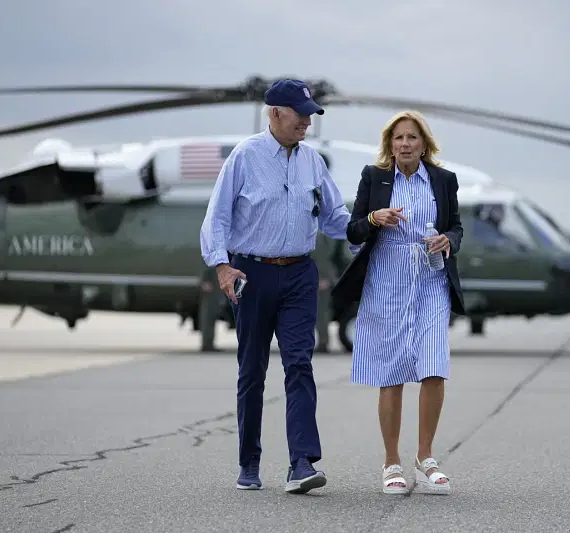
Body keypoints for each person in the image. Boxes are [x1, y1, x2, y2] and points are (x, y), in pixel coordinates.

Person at [199, 78, 351, 494]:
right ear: (275, 113)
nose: (307, 122)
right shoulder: (245, 157)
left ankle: (301, 463)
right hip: (252, 272)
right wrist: (222, 266)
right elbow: (217, 217)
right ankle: (249, 462)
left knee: (299, 363)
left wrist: (372, 227)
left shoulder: (312, 161)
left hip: (300, 273)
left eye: (310, 115)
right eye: (300, 114)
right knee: (252, 371)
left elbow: (335, 218)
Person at [332, 110, 465, 495]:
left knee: (433, 365)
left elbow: (456, 226)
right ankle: (392, 462)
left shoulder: (443, 179)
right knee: (391, 371)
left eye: (412, 138)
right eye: (398, 138)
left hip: (430, 278)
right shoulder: (374, 177)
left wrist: (448, 241)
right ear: (390, 145)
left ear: (425, 144)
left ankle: (426, 459)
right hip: (387, 279)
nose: (405, 144)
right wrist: (374, 217)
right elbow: (352, 229)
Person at [312, 232, 342, 353]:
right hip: (322, 277)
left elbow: (322, 257)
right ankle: (323, 342)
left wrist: (322, 278)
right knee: (321, 312)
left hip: (322, 280)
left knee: (322, 313)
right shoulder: (322, 232)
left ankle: (323, 343)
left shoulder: (319, 234)